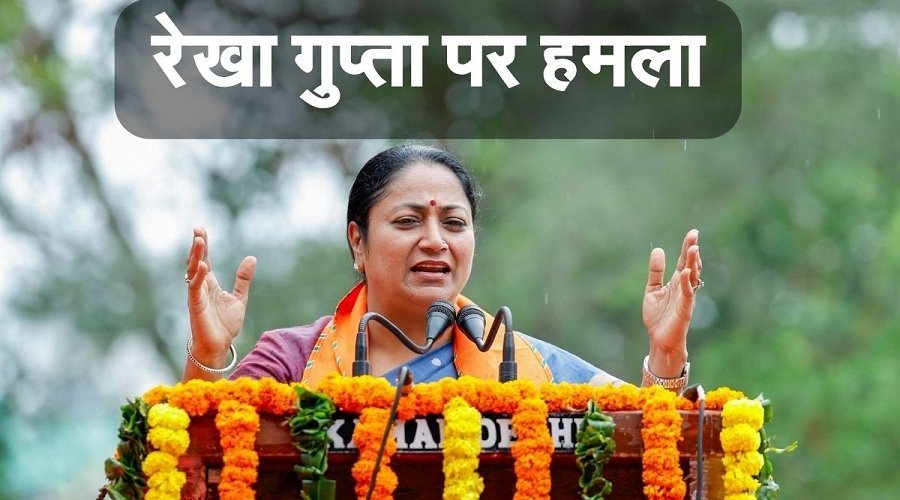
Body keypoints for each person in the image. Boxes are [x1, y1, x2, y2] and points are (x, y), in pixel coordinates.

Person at [182, 145, 702, 391]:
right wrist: (208, 355)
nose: (435, 241)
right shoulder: (291, 360)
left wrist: (666, 353)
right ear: (358, 242)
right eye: (408, 221)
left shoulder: (525, 365)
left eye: (454, 223)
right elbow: (197, 460)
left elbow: (643, 445)